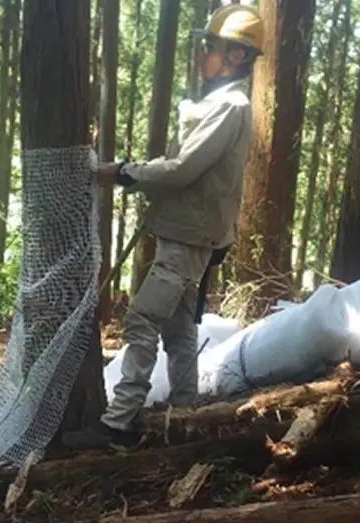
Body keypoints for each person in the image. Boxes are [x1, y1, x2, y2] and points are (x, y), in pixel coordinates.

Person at [62, 4, 263, 450]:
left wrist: (122, 173)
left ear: (237, 57)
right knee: (178, 330)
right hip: (188, 231)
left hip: (190, 236)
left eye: (212, 48)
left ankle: (119, 422)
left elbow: (182, 169)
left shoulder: (230, 106)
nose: (204, 55)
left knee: (142, 318)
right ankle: (188, 415)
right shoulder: (218, 103)